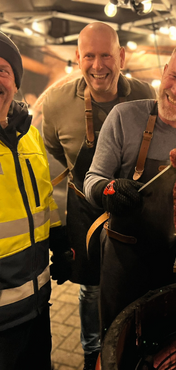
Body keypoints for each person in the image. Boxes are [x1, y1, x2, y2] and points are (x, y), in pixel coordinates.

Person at [83, 41, 176, 339]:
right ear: (163, 71)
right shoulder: (123, 117)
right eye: (173, 76)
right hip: (122, 258)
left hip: (175, 260)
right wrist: (110, 189)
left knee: (164, 341)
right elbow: (92, 179)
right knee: (116, 343)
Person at [42, 22, 156, 369]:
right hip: (85, 205)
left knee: (132, 279)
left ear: (121, 55)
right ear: (77, 57)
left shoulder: (144, 94)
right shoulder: (57, 102)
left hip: (130, 206)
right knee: (90, 287)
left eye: (106, 55)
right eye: (88, 56)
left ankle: (129, 342)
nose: (98, 65)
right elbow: (53, 153)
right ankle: (92, 350)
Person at [0, 31, 64, 369]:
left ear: (15, 82)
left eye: (3, 70)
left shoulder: (29, 134)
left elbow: (43, 201)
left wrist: (61, 239)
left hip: (37, 306)